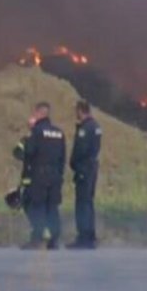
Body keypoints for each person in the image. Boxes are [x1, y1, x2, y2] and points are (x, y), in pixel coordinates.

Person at [21, 102, 66, 250]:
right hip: (55, 175)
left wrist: (29, 133)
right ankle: (53, 239)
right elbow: (63, 157)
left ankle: (38, 238)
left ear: (39, 113)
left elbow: (29, 152)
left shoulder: (37, 131)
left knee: (37, 206)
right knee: (52, 207)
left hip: (39, 175)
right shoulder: (59, 133)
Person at [67, 100, 102, 249]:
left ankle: (83, 237)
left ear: (81, 111)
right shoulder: (97, 126)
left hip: (84, 168)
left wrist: (73, 164)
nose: (76, 113)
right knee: (89, 202)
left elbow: (80, 150)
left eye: (77, 111)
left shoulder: (85, 128)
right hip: (93, 167)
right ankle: (91, 235)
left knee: (82, 203)